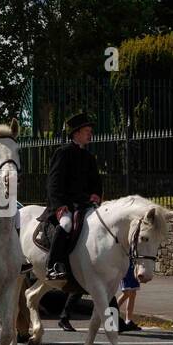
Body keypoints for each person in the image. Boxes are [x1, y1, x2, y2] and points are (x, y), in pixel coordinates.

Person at [42, 112, 102, 281]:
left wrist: (96, 195)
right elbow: (53, 183)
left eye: (91, 131)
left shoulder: (89, 157)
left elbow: (96, 183)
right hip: (66, 205)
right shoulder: (62, 152)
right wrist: (59, 206)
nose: (90, 134)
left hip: (85, 204)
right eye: (87, 131)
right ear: (76, 133)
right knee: (67, 224)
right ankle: (53, 265)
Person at [118, 261, 141, 332]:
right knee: (126, 293)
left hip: (133, 266)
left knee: (133, 293)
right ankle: (111, 314)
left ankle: (128, 320)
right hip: (124, 266)